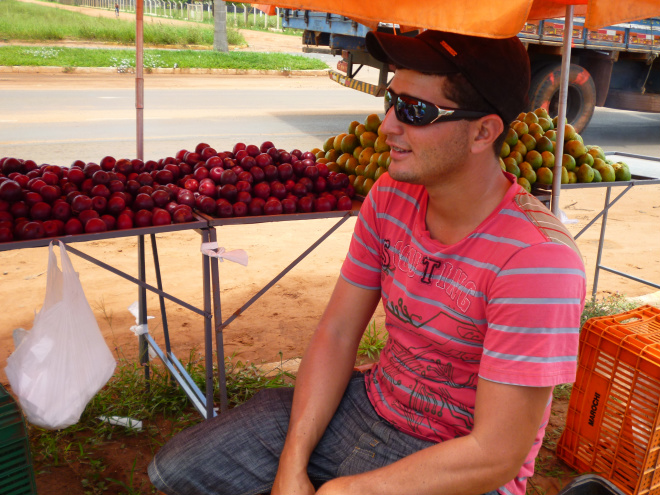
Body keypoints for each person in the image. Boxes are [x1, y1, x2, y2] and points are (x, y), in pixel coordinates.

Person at [148, 29, 586, 495]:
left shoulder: (539, 261)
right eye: (391, 101)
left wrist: (353, 490)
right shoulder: (390, 196)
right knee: (176, 470)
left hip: (457, 462)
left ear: (483, 132)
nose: (388, 127)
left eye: (415, 111)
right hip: (369, 406)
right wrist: (291, 466)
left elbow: (497, 454)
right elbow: (337, 332)